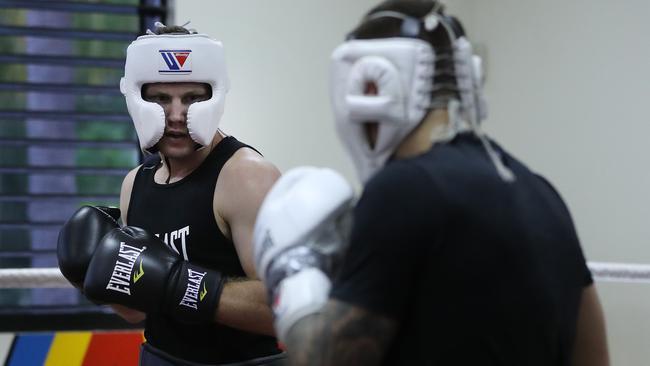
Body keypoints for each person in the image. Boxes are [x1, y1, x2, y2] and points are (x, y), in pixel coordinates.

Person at [251, 1, 610, 365]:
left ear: (370, 86)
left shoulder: (403, 191)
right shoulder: (540, 192)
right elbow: (594, 357)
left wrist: (294, 276)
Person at [57, 23, 284, 365]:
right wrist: (91, 277)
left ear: (215, 96)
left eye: (192, 98)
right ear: (136, 98)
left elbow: (281, 308)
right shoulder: (135, 183)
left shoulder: (245, 176)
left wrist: (179, 284)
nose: (177, 115)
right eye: (160, 98)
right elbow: (136, 312)